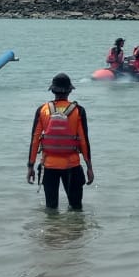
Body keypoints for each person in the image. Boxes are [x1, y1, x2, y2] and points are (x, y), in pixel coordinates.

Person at [28, 73, 94, 210]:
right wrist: (89, 167)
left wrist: (30, 166)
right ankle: (75, 231)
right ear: (70, 90)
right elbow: (84, 141)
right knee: (76, 208)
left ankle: (52, 231)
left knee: (51, 209)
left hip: (48, 166)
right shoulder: (78, 110)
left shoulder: (42, 110)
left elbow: (35, 139)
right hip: (72, 166)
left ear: (52, 90)